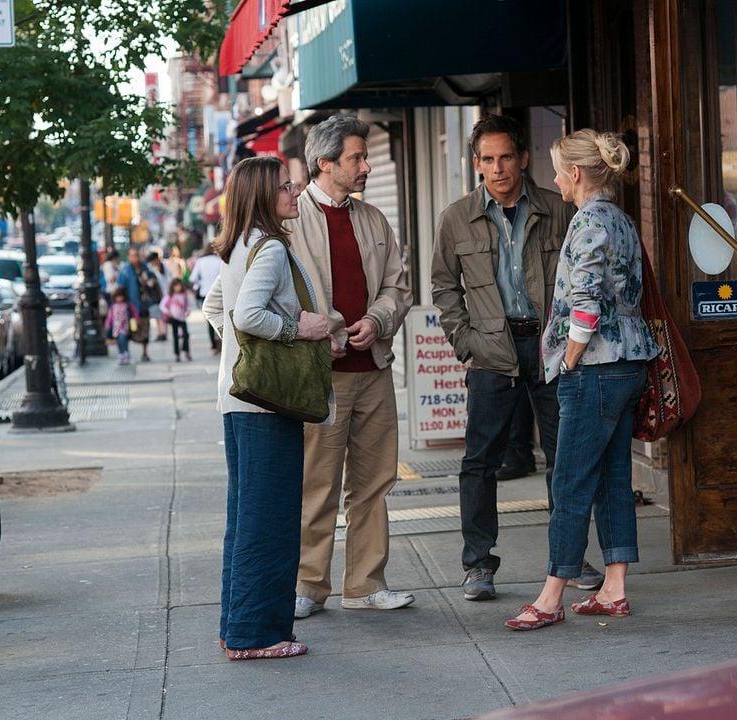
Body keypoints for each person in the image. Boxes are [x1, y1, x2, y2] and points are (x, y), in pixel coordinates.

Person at [505, 130, 660, 632]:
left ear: (575, 174)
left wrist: (568, 361)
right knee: (614, 478)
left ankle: (550, 596)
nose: (554, 180)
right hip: (628, 365)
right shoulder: (620, 218)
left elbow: (586, 302)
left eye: (557, 171)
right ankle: (613, 588)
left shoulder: (589, 221)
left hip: (594, 368)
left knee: (570, 482)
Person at [432, 114, 590, 602]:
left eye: (506, 157)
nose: (497, 168)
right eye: (487, 160)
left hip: (550, 348)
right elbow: (443, 286)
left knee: (564, 457)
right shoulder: (456, 217)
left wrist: (569, 344)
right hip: (490, 354)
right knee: (480, 461)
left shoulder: (556, 208)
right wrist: (466, 342)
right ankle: (478, 564)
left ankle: (569, 558)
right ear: (475, 163)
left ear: (523, 158)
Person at [201, 156, 339, 660]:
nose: (294, 192)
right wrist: (295, 331)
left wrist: (243, 356)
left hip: (239, 401)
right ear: (262, 196)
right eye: (284, 187)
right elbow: (247, 314)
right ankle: (257, 635)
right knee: (270, 519)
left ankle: (237, 627)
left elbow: (216, 311)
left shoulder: (240, 246)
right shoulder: (271, 249)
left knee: (245, 518)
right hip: (266, 406)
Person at [285, 115, 414, 619]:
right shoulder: (290, 220)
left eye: (364, 157)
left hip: (374, 368)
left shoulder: (374, 220)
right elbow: (265, 298)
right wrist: (313, 331)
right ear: (326, 163)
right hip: (322, 376)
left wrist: (377, 321)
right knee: (316, 484)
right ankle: (306, 586)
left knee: (374, 482)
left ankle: (365, 584)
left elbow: (397, 289)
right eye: (357, 158)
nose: (366, 166)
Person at [116, 246, 158, 362]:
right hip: (130, 306)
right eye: (133, 256)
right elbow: (120, 288)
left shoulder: (144, 267)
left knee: (145, 328)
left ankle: (145, 353)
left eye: (137, 255)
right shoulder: (125, 270)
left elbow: (152, 277)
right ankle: (126, 352)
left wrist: (152, 282)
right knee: (129, 329)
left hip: (144, 304)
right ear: (129, 257)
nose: (135, 258)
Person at [191, 245, 223, 354]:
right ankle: (221, 341)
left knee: (210, 319)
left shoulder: (200, 261)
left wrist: (202, 283)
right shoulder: (219, 260)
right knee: (222, 317)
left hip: (206, 292)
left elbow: (193, 278)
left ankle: (213, 346)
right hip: (220, 292)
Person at [160, 278, 193, 362]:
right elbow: (162, 305)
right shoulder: (170, 296)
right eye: (176, 286)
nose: (178, 287)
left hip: (182, 318)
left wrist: (188, 310)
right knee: (175, 337)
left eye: (179, 285)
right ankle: (177, 354)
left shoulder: (184, 295)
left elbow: (187, 305)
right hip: (173, 319)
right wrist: (167, 312)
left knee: (186, 335)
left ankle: (186, 351)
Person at [104, 287, 137, 365]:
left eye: (120, 296)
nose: (119, 298)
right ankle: (121, 354)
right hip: (116, 327)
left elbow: (134, 312)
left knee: (123, 339)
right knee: (119, 341)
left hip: (125, 327)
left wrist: (135, 320)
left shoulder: (127, 305)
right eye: (117, 297)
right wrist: (107, 324)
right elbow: (110, 316)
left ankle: (125, 353)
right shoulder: (113, 306)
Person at [147, 250, 172, 342]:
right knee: (157, 315)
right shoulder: (150, 269)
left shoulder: (164, 267)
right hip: (155, 296)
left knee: (162, 316)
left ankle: (163, 333)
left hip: (164, 295)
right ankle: (160, 332)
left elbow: (168, 281)